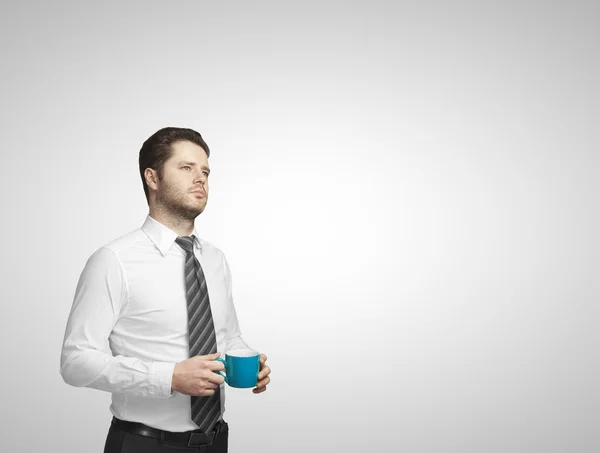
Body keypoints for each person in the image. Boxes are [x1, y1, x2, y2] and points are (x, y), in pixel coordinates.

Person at [60, 127, 271, 453]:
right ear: (152, 178)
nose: (200, 178)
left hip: (215, 441)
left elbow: (229, 337)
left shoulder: (215, 259)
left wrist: (248, 363)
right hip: (144, 445)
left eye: (205, 171)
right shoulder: (113, 260)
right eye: (186, 168)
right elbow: (75, 361)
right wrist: (168, 377)